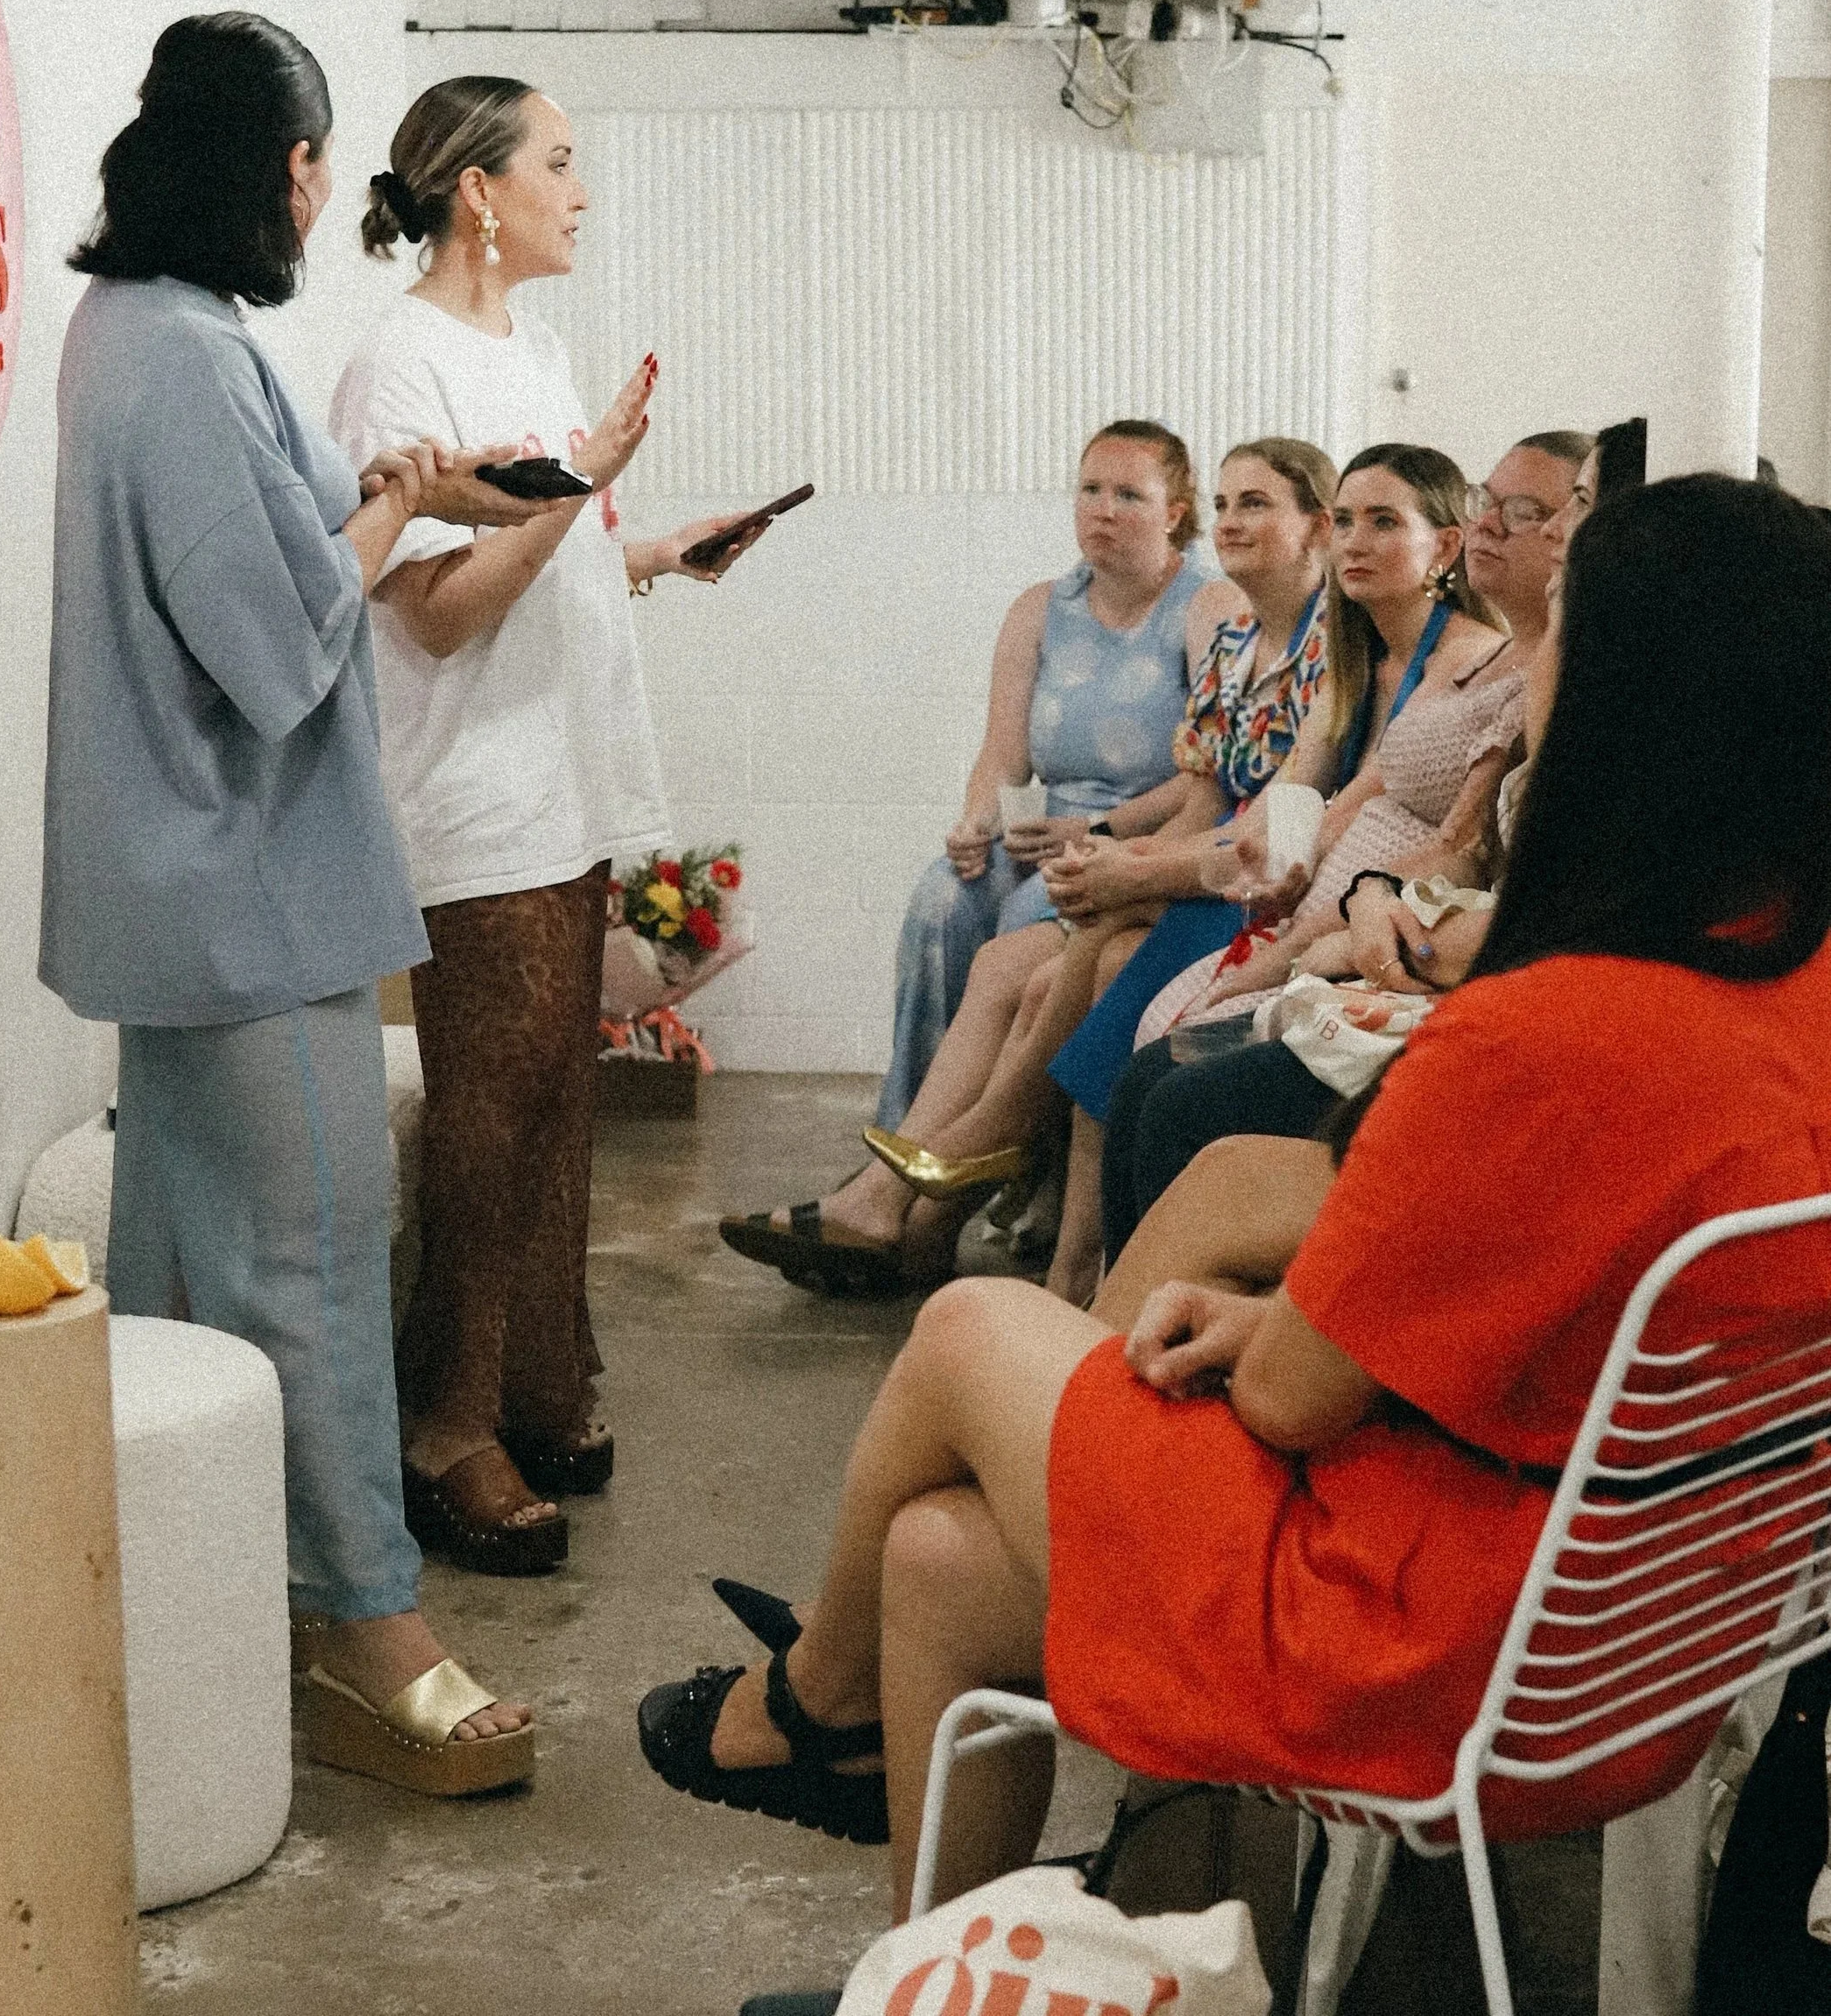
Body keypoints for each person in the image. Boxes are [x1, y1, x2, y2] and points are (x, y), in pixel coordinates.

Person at [638, 473, 1831, 1977]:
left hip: (1428, 1661)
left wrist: (1282, 1332)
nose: (1533, 680)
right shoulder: (1792, 986)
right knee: (941, 1556)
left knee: (967, 1325)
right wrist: (1294, 1316)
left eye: (1560, 646)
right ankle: (949, 1968)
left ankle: (808, 1706)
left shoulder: (1550, 1034)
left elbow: (1288, 1397)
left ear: (1643, 705)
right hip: (1649, 1643)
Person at [41, 13, 551, 1796]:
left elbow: (244, 549)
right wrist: (370, 533)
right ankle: (367, 1618)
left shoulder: (126, 330)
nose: (328, 187)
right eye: (316, 157)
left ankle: (224, 1601)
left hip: (174, 894)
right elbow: (272, 642)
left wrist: (390, 495)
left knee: (182, 1272)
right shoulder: (188, 354)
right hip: (253, 886)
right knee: (318, 1266)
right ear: (272, 163)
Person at [330, 74, 751, 1577]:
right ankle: (445, 1425)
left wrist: (642, 546)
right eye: (559, 163)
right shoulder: (400, 366)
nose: (582, 189)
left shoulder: (536, 339)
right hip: (476, 797)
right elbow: (437, 615)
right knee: (490, 1116)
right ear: (476, 194)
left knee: (556, 1103)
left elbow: (547, 558)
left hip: (559, 783)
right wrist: (580, 485)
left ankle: (529, 1381)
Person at [720, 439, 1336, 1299]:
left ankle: (976, 1186)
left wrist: (1119, 847)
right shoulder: (1226, 637)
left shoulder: (1271, 628)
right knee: (965, 919)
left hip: (1238, 867)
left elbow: (1269, 817)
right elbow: (1077, 770)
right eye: (1089, 487)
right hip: (1147, 840)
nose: (1233, 521)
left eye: (1255, 504)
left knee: (1050, 952)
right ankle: (910, 1185)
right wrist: (1006, 827)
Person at [1096, 421, 1622, 1272]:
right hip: (1354, 927)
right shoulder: (1428, 660)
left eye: (1549, 509)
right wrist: (1345, 905)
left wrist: (1342, 934)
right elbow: (1343, 809)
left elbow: (1530, 905)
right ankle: (1104, 1308)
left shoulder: (1546, 672)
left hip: (1440, 987)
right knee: (1138, 1056)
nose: (1533, 528)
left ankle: (1132, 1323)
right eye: (1346, 518)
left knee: (1173, 1094)